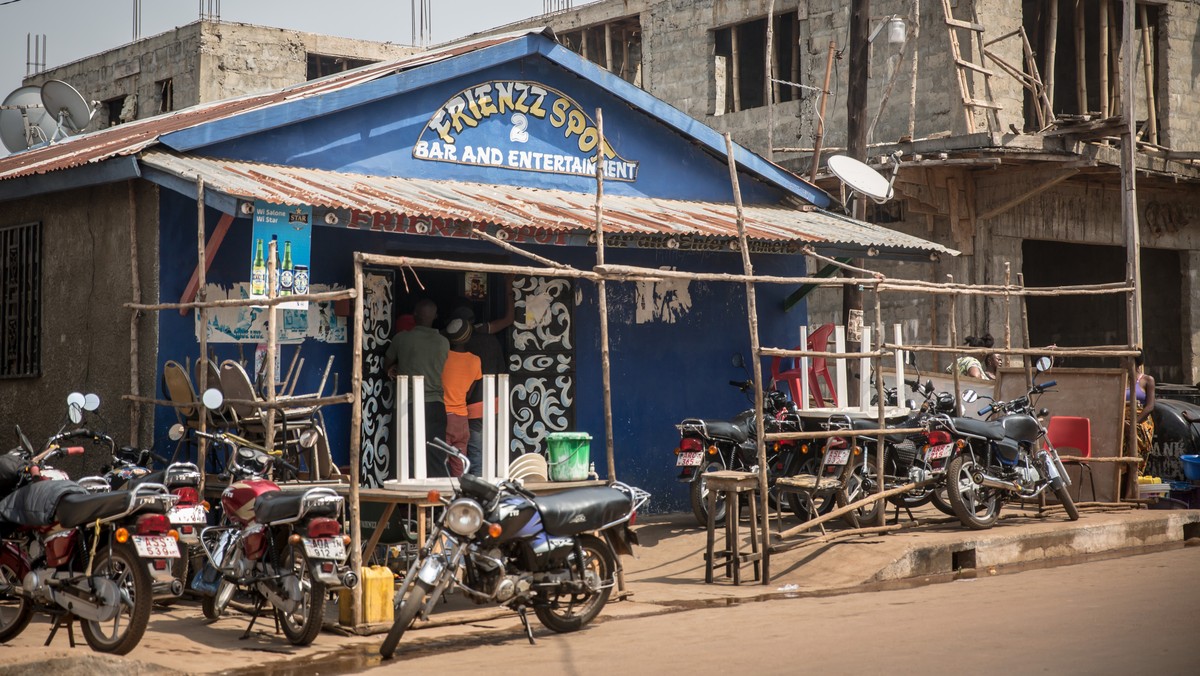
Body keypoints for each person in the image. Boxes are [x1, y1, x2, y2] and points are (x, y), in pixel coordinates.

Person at [452, 278, 515, 476]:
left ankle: (478, 496)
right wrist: (509, 287)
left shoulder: (457, 345)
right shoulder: (489, 337)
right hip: (495, 404)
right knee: (494, 450)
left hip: (471, 408)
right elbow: (508, 320)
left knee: (476, 455)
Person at [383, 298, 449, 476]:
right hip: (436, 404)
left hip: (408, 405)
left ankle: (408, 501)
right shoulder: (444, 342)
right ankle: (438, 501)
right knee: (436, 454)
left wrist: (394, 367)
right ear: (435, 316)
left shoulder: (401, 339)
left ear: (414, 315)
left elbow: (386, 363)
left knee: (408, 455)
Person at [441, 317, 482, 478]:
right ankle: (459, 497)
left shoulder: (443, 356)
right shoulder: (475, 361)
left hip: (444, 417)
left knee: (442, 461)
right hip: (462, 419)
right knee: (459, 463)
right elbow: (470, 393)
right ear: (469, 337)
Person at [1126, 351, 1156, 465]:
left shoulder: (1147, 380)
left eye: (1124, 361)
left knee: (1135, 455)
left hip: (1140, 421)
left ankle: (1135, 479)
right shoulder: (1122, 379)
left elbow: (1150, 406)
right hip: (1123, 422)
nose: (1120, 364)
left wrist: (1134, 424)